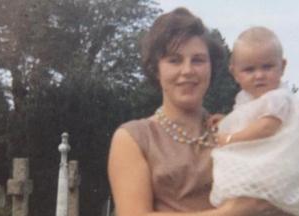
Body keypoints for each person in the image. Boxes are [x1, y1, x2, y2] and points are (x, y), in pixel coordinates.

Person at [108, 8, 286, 216]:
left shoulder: (237, 129)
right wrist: (230, 212)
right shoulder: (134, 138)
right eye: (174, 60)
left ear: (212, 67)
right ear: (156, 69)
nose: (187, 71)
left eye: (198, 60)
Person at [209, 26, 299, 216]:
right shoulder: (246, 99)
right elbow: (249, 119)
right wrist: (228, 121)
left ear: (282, 66)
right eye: (249, 69)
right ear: (235, 72)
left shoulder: (278, 98)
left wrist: (230, 137)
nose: (259, 75)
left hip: (280, 160)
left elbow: (265, 127)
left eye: (267, 66)